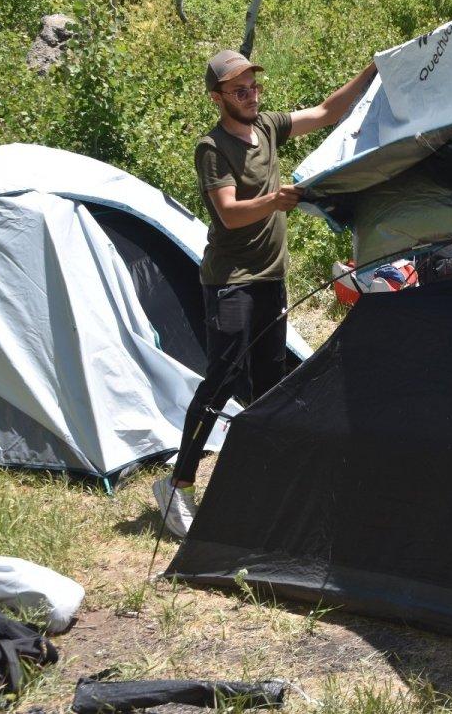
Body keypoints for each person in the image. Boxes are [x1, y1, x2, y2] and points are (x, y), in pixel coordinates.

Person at [153, 49, 377, 538]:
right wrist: (275, 200)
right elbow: (229, 213)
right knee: (223, 378)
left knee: (270, 379)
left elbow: (324, 113)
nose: (251, 95)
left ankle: (266, 477)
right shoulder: (211, 147)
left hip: (271, 277)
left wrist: (374, 68)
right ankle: (177, 483)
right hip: (231, 278)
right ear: (218, 98)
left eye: (253, 87)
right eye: (239, 90)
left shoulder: (270, 127)